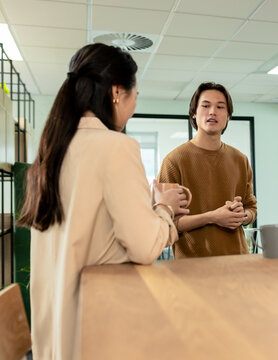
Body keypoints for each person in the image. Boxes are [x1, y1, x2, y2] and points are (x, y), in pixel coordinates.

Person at [18, 43, 190, 359]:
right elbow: (144, 247)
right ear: (116, 92)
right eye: (134, 97)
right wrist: (163, 207)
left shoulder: (52, 151)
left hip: (54, 340)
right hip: (95, 334)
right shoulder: (116, 148)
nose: (133, 107)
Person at [158, 82, 257, 258]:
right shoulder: (174, 161)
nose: (212, 111)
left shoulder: (240, 160)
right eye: (205, 106)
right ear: (194, 114)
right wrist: (212, 217)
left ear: (228, 115)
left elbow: (251, 209)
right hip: (193, 268)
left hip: (239, 262)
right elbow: (165, 223)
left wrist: (242, 215)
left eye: (220, 107)